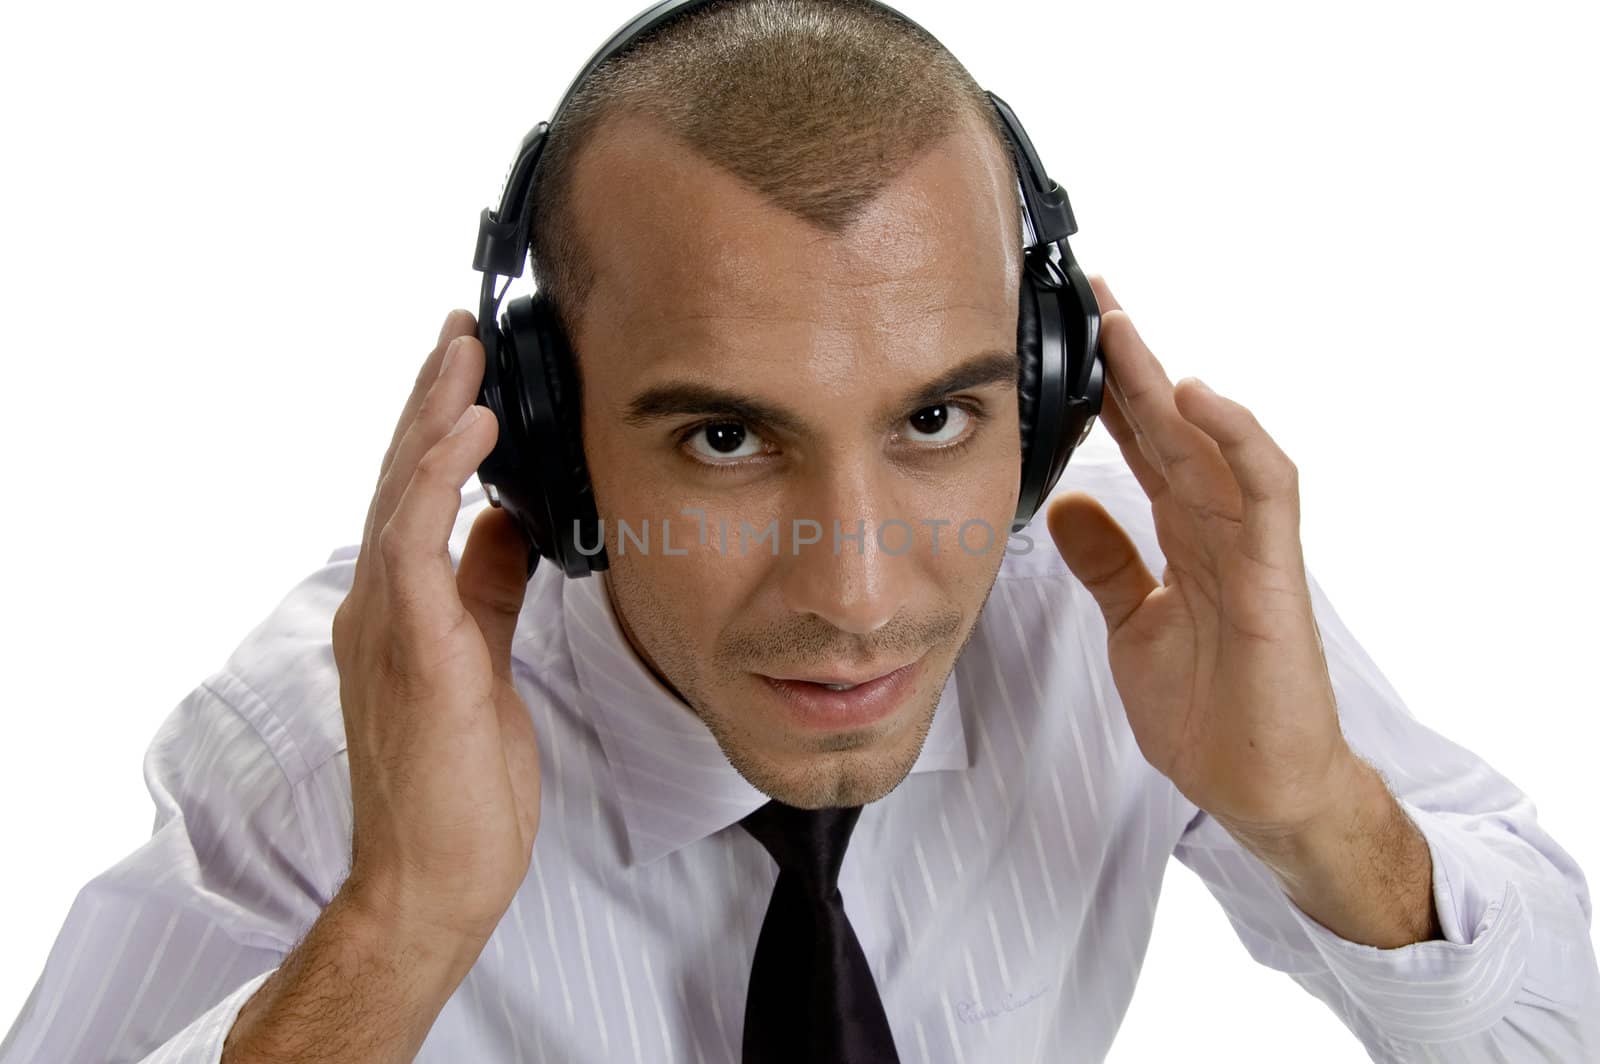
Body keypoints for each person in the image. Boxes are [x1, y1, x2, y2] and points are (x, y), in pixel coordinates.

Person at [4, 1, 1597, 1061]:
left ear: (1045, 398)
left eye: (933, 422)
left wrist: (1323, 816)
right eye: (723, 437)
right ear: (545, 441)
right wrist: (396, 928)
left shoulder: (1130, 609)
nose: (857, 593)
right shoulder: (323, 751)